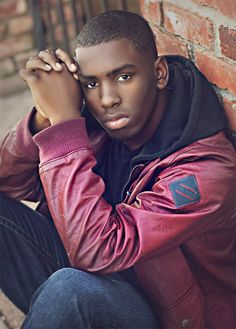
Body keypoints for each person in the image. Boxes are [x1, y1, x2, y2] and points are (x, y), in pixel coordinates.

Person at [0, 10, 235, 329]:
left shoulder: (205, 171)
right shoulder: (100, 128)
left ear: (159, 73)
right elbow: (10, 182)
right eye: (91, 83)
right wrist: (45, 117)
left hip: (166, 317)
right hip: (97, 279)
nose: (107, 99)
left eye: (123, 76)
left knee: (70, 291)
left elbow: (98, 253)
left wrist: (66, 129)